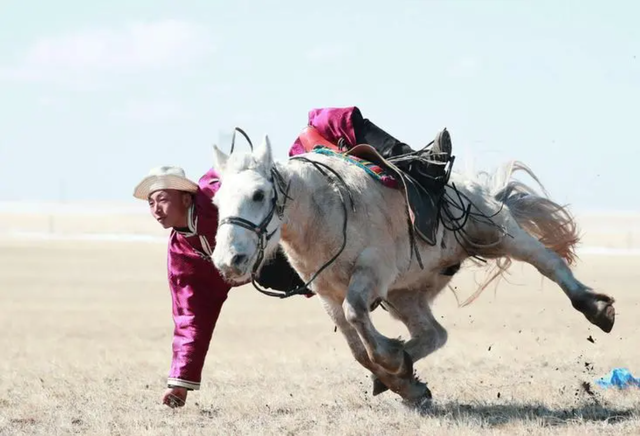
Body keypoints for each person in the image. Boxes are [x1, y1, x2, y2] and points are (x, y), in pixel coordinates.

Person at [133, 106, 452, 408]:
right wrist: (180, 381)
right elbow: (191, 317)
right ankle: (403, 380)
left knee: (324, 119)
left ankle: (419, 165)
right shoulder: (182, 256)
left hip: (307, 225)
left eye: (161, 199)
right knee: (356, 346)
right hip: (280, 270)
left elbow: (254, 179)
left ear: (186, 196)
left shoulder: (219, 187)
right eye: (150, 203)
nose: (155, 210)